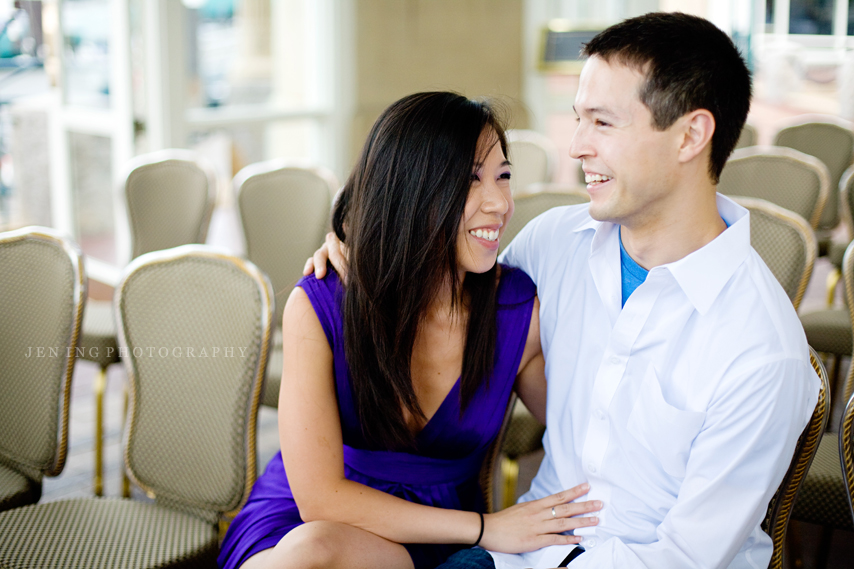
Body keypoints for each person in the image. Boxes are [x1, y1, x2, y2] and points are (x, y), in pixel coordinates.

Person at [310, 13, 819, 569]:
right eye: (578, 119)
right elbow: (443, 293)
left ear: (691, 136)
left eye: (602, 123)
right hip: (518, 554)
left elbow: (687, 557)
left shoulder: (763, 350)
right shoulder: (554, 244)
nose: (576, 146)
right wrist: (354, 254)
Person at [217, 92, 602, 569]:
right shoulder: (322, 302)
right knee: (311, 551)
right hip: (300, 521)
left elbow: (591, 433)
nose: (500, 203)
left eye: (503, 176)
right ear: (409, 193)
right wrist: (489, 528)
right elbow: (320, 502)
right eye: (469, 181)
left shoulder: (517, 311)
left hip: (434, 532)